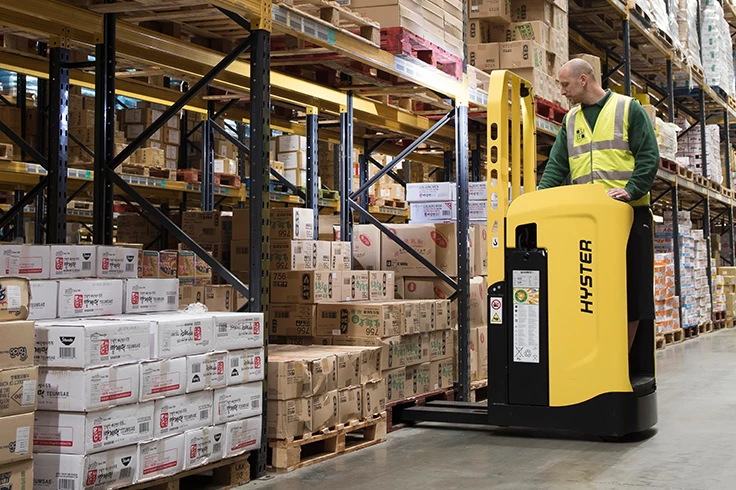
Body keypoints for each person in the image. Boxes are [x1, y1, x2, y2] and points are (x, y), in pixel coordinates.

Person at [538, 58, 659, 351]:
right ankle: (597, 356)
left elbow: (648, 156)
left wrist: (632, 190)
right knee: (591, 292)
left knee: (631, 291)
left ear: (583, 80)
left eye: (565, 85)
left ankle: (621, 358)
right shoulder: (571, 120)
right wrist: (538, 200)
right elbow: (557, 166)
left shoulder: (628, 109)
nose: (562, 92)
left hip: (628, 215)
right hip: (588, 221)